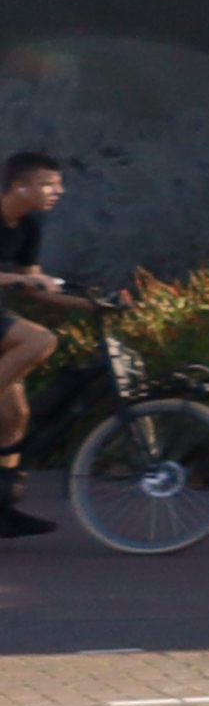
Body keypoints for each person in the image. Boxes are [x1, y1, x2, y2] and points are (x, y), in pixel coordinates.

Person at [0, 149, 68, 539]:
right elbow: (23, 283)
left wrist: (98, 303)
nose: (57, 191)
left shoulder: (28, 228)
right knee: (39, 338)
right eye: (47, 184)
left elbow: (39, 287)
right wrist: (17, 282)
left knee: (13, 417)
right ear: (18, 186)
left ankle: (2, 508)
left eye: (58, 184)